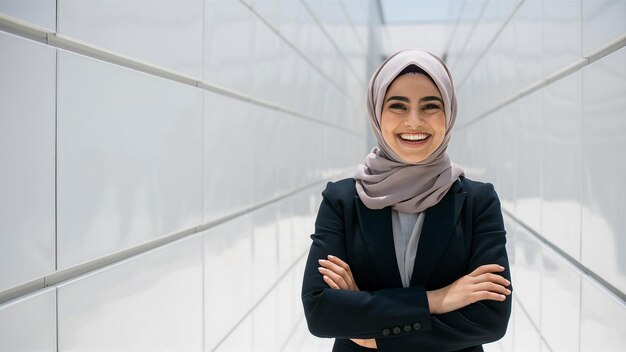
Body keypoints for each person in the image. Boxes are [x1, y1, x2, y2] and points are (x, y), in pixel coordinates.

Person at [301, 49, 512, 352]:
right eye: (398, 105)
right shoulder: (343, 200)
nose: (414, 122)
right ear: (377, 112)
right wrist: (438, 299)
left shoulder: (477, 202)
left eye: (430, 106)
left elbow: (490, 318)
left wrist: (370, 326)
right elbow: (321, 311)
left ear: (449, 114)